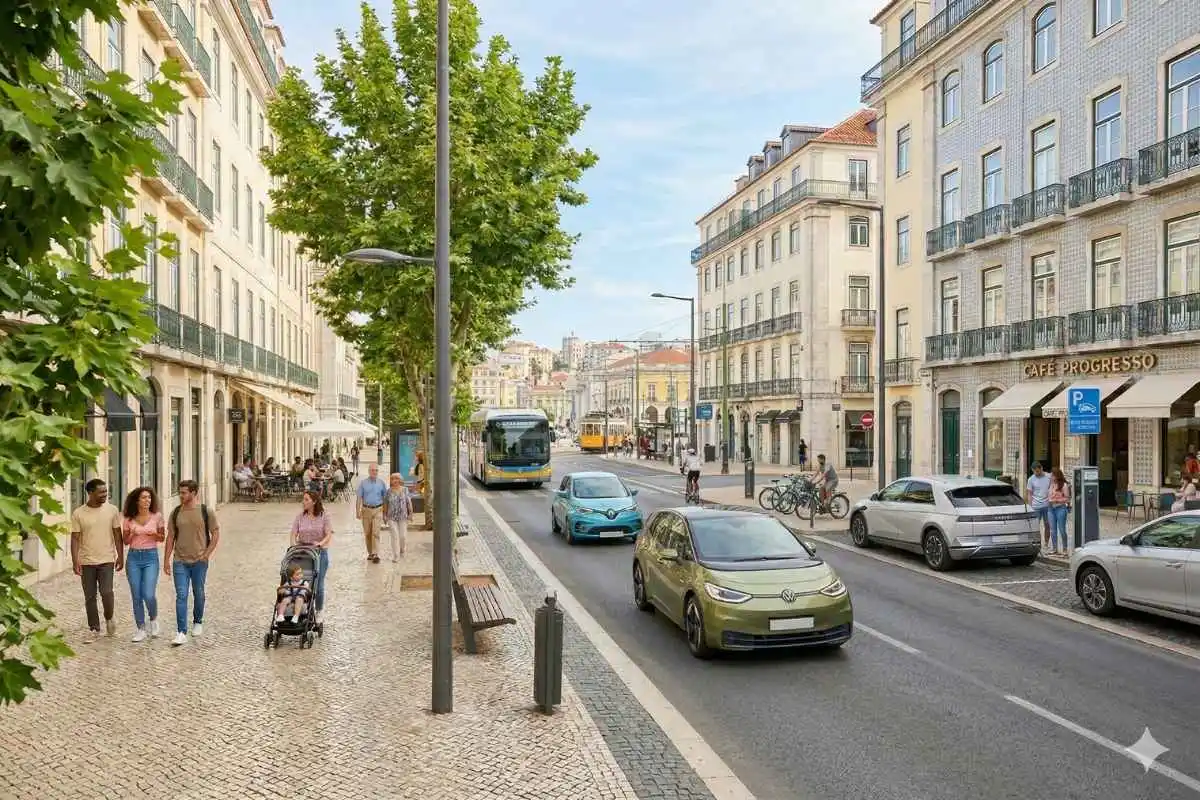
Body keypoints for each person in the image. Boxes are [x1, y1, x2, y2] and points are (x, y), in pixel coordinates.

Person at [164, 479, 220, 646]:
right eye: (180, 492)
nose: (181, 495)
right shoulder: (175, 513)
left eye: (184, 493)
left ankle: (198, 621)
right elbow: (170, 537)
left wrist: (206, 554)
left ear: (194, 493)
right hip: (180, 561)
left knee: (199, 592)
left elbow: (215, 533)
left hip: (199, 561)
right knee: (181, 595)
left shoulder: (205, 511)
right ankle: (181, 632)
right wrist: (166, 560)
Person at [70, 479, 124, 641]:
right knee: (90, 596)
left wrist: (121, 556)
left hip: (107, 559)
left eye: (106, 491)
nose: (105, 494)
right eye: (101, 492)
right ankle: (94, 628)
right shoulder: (78, 513)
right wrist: (75, 560)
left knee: (107, 592)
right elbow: (75, 538)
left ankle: (109, 617)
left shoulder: (112, 510)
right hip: (87, 561)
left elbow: (117, 535)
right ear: (90, 493)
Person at [121, 486, 165, 642]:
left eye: (149, 497)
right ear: (137, 501)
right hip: (133, 558)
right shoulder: (128, 519)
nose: (148, 500)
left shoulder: (157, 517)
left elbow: (162, 537)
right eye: (144, 498)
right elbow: (125, 541)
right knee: (136, 595)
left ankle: (153, 619)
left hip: (150, 557)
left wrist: (155, 534)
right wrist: (132, 534)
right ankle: (140, 628)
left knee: (148, 594)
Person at [290, 490, 333, 618]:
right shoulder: (300, 516)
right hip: (302, 553)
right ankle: (303, 608)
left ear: (314, 502)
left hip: (319, 553)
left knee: (318, 585)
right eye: (303, 499)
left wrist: (320, 544)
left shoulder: (324, 516)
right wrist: (293, 545)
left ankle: (319, 610)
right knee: (302, 582)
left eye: (306, 499)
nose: (303, 502)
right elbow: (293, 533)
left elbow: (328, 534)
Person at [356, 463, 387, 564]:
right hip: (366, 510)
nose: (375, 472)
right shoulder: (363, 483)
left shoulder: (381, 483)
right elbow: (359, 498)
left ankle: (375, 553)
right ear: (369, 471)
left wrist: (385, 512)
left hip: (378, 509)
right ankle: (370, 553)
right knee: (368, 533)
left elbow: (385, 498)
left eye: (376, 470)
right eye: (373, 470)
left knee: (375, 532)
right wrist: (357, 511)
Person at [383, 473, 414, 562]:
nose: (395, 480)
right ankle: (396, 555)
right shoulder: (388, 491)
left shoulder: (405, 490)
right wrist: (384, 515)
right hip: (391, 517)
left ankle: (402, 549)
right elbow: (386, 504)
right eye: (393, 479)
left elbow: (409, 502)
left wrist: (411, 514)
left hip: (403, 516)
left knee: (403, 536)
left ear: (400, 480)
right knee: (394, 535)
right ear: (391, 481)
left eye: (397, 479)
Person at [1025, 462, 1053, 549]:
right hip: (1036, 506)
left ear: (1041, 468)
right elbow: (1029, 494)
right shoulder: (1031, 479)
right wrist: (1030, 506)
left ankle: (1046, 543)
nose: (1036, 473)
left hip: (1047, 505)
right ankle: (1038, 543)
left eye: (1037, 471)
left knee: (1047, 525)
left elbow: (1053, 488)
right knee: (1036, 526)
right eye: (1034, 472)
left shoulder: (1049, 476)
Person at [1047, 468, 1071, 556]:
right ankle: (1054, 549)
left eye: (1053, 475)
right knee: (1052, 530)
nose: (1051, 477)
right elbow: (1049, 495)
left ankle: (1065, 549)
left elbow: (1067, 499)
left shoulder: (1064, 485)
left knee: (1062, 529)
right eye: (1051, 475)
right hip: (1050, 509)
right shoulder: (1051, 485)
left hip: (1060, 508)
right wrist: (1048, 500)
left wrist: (1057, 500)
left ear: (1057, 476)